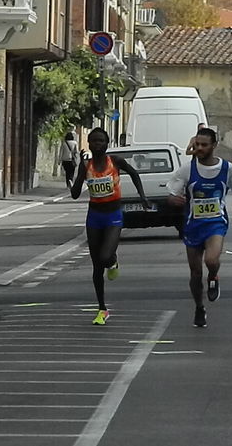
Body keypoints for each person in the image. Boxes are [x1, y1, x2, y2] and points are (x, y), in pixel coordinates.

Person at [71, 127, 151, 325]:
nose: (97, 144)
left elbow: (134, 174)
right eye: (94, 141)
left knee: (105, 256)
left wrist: (142, 197)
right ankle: (102, 308)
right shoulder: (86, 165)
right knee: (97, 265)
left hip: (113, 215)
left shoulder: (115, 162)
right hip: (94, 216)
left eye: (101, 141)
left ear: (107, 144)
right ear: (88, 144)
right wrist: (80, 170)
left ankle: (113, 261)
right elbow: (74, 194)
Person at [167, 127, 232, 328]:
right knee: (194, 273)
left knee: (211, 259)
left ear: (214, 146)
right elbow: (172, 193)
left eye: (204, 145)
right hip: (193, 225)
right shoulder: (188, 169)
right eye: (197, 144)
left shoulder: (227, 168)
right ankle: (199, 307)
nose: (199, 148)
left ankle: (213, 276)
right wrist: (175, 200)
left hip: (215, 223)